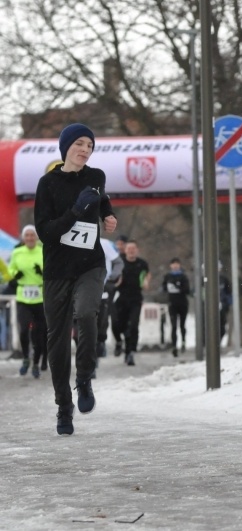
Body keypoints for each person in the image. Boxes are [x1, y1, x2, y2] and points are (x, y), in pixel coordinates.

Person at [34, 122, 118, 435]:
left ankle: (84, 378)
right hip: (57, 270)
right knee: (56, 341)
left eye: (90, 145)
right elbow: (45, 233)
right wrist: (75, 211)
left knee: (86, 313)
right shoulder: (48, 183)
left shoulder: (96, 177)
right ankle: (63, 407)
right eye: (79, 143)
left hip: (90, 264)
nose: (85, 150)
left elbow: (102, 199)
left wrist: (107, 215)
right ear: (66, 147)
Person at [8, 225, 47, 378]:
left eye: (32, 235)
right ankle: (25, 358)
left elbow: (51, 270)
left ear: (36, 237)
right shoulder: (17, 252)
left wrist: (42, 272)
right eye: (27, 235)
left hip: (40, 297)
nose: (30, 238)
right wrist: (15, 274)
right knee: (24, 330)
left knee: (38, 334)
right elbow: (11, 269)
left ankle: (36, 363)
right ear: (23, 238)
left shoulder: (43, 251)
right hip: (23, 297)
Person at [114, 239, 150, 366]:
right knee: (119, 326)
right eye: (129, 248)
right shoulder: (120, 262)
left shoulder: (142, 263)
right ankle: (120, 342)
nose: (131, 251)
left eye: (133, 248)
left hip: (136, 299)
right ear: (125, 250)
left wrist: (146, 282)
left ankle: (131, 352)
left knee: (133, 326)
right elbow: (113, 277)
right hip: (121, 298)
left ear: (137, 250)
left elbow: (146, 277)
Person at [162, 257, 190, 356]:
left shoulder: (183, 277)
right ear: (170, 265)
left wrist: (177, 286)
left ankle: (183, 341)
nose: (175, 266)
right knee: (174, 325)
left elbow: (187, 290)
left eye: (177, 264)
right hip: (172, 303)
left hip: (182, 303)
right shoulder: (167, 276)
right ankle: (174, 345)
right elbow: (164, 288)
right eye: (173, 264)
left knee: (182, 324)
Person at [110, 234, 129, 356]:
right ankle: (118, 341)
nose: (119, 246)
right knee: (114, 322)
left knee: (128, 323)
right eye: (117, 244)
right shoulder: (112, 258)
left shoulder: (130, 259)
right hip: (114, 293)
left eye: (122, 244)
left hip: (127, 294)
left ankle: (128, 349)